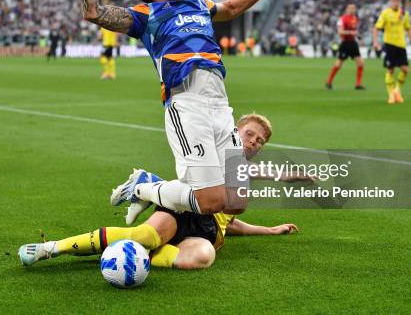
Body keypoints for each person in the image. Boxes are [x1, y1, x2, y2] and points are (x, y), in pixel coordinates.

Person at [77, 0, 285, 216]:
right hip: (188, 102)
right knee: (212, 202)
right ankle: (142, 186)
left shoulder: (197, 3)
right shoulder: (145, 15)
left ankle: (158, 189)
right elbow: (92, 12)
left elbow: (230, 9)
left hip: (220, 102)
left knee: (236, 202)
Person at [18, 114, 301, 270]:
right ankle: (51, 248)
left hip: (206, 230)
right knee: (144, 236)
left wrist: (269, 230)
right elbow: (246, 172)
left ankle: (136, 250)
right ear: (235, 130)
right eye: (249, 134)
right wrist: (283, 175)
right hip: (186, 208)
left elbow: (230, 222)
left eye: (259, 141)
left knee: (202, 257)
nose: (253, 142)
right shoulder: (222, 153)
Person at [372, 0, 411, 104]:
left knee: (405, 69)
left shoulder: (404, 14)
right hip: (389, 44)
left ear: (399, 2)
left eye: (397, 1)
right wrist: (375, 41)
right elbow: (377, 28)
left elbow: (408, 29)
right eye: (393, 1)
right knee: (390, 69)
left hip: (401, 45)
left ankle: (397, 90)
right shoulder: (385, 13)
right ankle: (390, 95)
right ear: (390, 1)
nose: (395, 3)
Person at [325, 4, 365, 90]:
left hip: (353, 43)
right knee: (339, 63)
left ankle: (358, 84)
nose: (352, 10)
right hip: (345, 43)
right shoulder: (342, 19)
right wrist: (351, 33)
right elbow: (340, 32)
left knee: (361, 63)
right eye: (350, 8)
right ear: (346, 9)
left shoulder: (355, 19)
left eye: (354, 8)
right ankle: (328, 82)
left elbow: (354, 31)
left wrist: (359, 38)